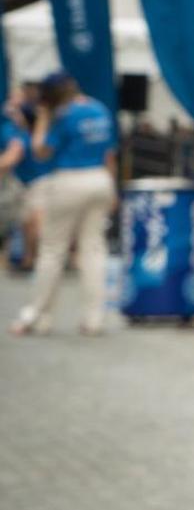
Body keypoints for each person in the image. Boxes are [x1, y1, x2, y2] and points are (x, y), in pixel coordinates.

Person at [9, 72, 116, 336]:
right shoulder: (98, 109)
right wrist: (112, 188)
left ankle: (37, 315)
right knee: (93, 249)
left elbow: (41, 150)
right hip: (100, 178)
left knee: (52, 249)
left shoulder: (65, 115)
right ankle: (94, 318)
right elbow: (109, 152)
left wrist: (43, 118)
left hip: (69, 179)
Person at [0, 83, 52, 272]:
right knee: (27, 222)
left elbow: (13, 155)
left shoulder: (23, 129)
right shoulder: (11, 127)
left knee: (36, 222)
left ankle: (42, 260)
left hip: (41, 179)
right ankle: (29, 260)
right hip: (26, 181)